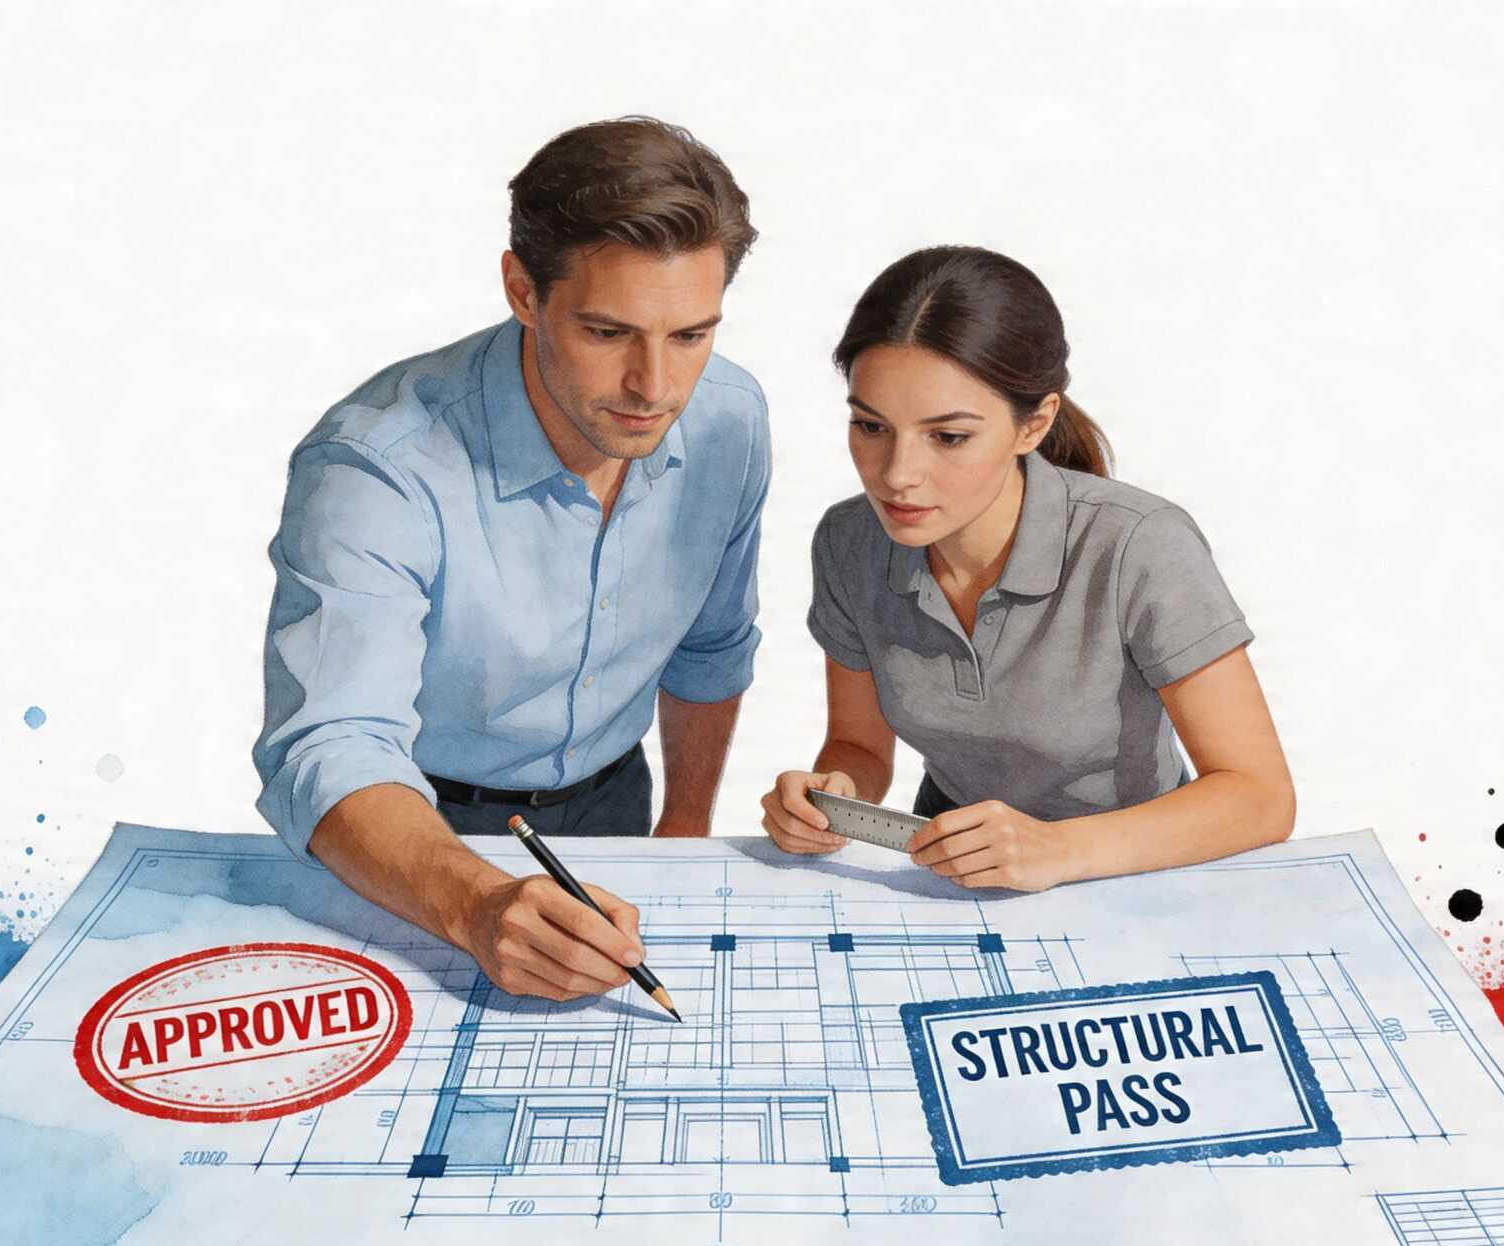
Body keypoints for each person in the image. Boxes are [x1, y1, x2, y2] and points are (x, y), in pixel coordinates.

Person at [258, 118, 768, 1000]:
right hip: (412, 831)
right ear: (522, 291)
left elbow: (711, 645)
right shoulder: (376, 465)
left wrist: (684, 827)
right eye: (607, 333)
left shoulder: (731, 417)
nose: (655, 388)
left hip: (619, 798)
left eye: (690, 336)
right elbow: (333, 745)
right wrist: (476, 903)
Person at [760, 246, 1294, 890]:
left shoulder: (1140, 544)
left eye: (948, 437)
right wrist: (831, 797)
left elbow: (1260, 796)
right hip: (952, 861)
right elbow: (860, 746)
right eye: (871, 427)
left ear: (1033, 425)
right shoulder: (849, 541)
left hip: (1138, 863)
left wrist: (1057, 851)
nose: (897, 475)